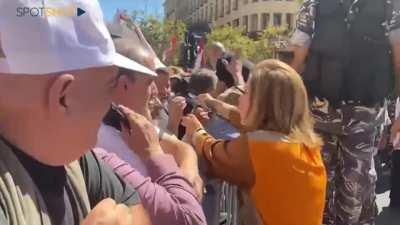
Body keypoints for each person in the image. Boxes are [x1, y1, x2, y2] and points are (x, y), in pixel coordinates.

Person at [0, 0, 156, 224]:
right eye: (110, 86)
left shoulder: (70, 156)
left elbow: (135, 209)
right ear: (64, 96)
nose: (112, 103)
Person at [290, 1, 400, 224]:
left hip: (364, 118)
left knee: (355, 192)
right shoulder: (314, 5)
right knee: (317, 188)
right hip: (318, 116)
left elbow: (399, 60)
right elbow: (297, 60)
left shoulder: (390, 6)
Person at [182, 59, 327, 225]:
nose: (239, 100)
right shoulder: (304, 146)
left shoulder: (258, 148)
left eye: (245, 93)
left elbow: (212, 152)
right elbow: (245, 120)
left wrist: (196, 130)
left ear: (261, 103)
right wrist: (214, 104)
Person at [95, 26, 206, 225]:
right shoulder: (97, 145)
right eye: (149, 82)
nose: (156, 91)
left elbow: (183, 148)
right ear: (124, 85)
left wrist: (190, 172)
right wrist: (154, 153)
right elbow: (189, 220)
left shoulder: (130, 123)